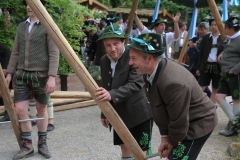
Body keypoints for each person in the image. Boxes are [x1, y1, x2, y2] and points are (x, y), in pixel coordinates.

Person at [128, 33, 217, 160]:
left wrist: (172, 143)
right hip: (184, 122)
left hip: (198, 122)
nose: (130, 62)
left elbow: (179, 122)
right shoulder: (149, 72)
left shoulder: (172, 83)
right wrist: (165, 138)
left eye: (133, 58)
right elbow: (158, 108)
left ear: (149, 58)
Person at [5, 1, 59, 159]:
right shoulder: (21, 26)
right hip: (21, 75)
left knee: (42, 110)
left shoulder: (48, 26)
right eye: (27, 4)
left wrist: (52, 77)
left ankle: (42, 143)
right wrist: (9, 73)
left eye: (32, 4)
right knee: (20, 109)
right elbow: (15, 52)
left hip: (41, 76)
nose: (29, 7)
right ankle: (27, 145)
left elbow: (54, 53)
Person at [95, 23, 153, 160]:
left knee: (141, 151)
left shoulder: (134, 56)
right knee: (124, 147)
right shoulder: (104, 60)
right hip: (119, 113)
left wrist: (111, 95)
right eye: (108, 45)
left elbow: (136, 84)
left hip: (139, 112)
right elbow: (106, 87)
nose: (112, 49)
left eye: (116, 44)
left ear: (123, 42)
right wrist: (104, 112)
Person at [215, 16, 240, 137]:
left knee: (236, 100)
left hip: (234, 75)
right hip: (225, 74)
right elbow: (228, 50)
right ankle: (236, 123)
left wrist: (233, 71)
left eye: (226, 26)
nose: (224, 28)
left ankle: (234, 126)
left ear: (231, 28)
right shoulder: (231, 38)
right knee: (219, 97)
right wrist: (222, 54)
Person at [196, 19, 223, 108]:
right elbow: (201, 53)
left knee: (215, 87)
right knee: (201, 86)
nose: (213, 26)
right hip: (206, 65)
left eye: (215, 25)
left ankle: (211, 107)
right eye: (212, 24)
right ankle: (195, 103)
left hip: (218, 66)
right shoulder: (206, 37)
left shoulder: (223, 38)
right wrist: (199, 67)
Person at [0, 42, 11, 122]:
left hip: (5, 72)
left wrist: (5, 67)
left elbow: (7, 52)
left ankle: (8, 114)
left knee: (6, 92)